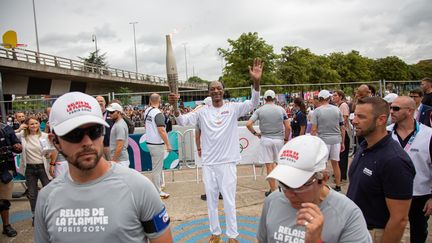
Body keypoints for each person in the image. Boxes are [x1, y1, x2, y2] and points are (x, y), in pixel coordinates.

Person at [34, 92, 173, 243]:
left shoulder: (139, 188)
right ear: (55, 142)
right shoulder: (46, 198)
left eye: (94, 131)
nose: (87, 142)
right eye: (74, 134)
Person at [168, 58, 263, 243]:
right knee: (211, 201)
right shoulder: (203, 111)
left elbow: (253, 103)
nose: (216, 91)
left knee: (229, 200)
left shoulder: (233, 108)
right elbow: (182, 121)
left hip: (227, 162)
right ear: (209, 93)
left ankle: (233, 236)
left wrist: (256, 82)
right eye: (213, 89)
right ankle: (215, 233)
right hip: (209, 163)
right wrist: (173, 106)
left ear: (223, 91)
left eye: (219, 88)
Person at [257, 135, 371, 243]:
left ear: (323, 178)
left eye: (298, 186)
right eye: (284, 184)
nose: (289, 194)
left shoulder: (348, 214)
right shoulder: (273, 201)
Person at [347, 97, 415, 243]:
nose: (354, 121)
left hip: (376, 234)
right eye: (355, 115)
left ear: (381, 120)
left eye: (361, 117)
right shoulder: (365, 146)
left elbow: (400, 219)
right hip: (357, 231)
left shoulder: (395, 161)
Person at [387, 96, 432, 243]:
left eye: (396, 108)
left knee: (418, 233)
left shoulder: (428, 134)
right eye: (390, 108)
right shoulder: (385, 134)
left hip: (420, 194)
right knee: (387, 230)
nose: (391, 111)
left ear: (410, 111)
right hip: (389, 194)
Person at [246, 89, 291, 196]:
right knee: (280, 164)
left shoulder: (260, 110)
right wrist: (285, 139)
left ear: (265, 99)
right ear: (275, 98)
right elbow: (288, 127)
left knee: (269, 165)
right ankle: (284, 188)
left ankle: (273, 190)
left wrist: (256, 133)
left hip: (266, 139)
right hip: (279, 139)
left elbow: (248, 124)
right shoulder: (281, 110)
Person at [16, 116, 54, 225]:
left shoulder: (45, 136)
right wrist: (19, 128)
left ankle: (49, 214)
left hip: (42, 167)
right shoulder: (23, 136)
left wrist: (49, 155)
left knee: (48, 192)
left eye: (36, 123)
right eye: (31, 124)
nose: (34, 126)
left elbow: (51, 151)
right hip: (30, 168)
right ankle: (35, 216)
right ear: (27, 125)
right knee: (32, 194)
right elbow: (10, 135)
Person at [310, 90, 345, 192]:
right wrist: (342, 142)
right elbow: (342, 127)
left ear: (320, 99)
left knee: (322, 165)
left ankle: (323, 186)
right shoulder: (336, 110)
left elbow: (313, 129)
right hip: (336, 140)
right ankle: (338, 186)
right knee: (335, 164)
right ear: (328, 98)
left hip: (323, 140)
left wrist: (313, 141)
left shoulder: (317, 111)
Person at [143, 93, 172, 199]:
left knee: (157, 167)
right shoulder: (158, 113)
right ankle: (157, 190)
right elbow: (161, 130)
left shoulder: (147, 111)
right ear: (159, 101)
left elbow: (146, 125)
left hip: (150, 142)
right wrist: (168, 144)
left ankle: (159, 186)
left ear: (150, 101)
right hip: (156, 143)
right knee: (157, 168)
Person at [0, 122, 22, 237]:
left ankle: (6, 226)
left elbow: (17, 145)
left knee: (4, 201)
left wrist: (17, 146)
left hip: (5, 169)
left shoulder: (6, 128)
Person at [332, 90, 350, 182]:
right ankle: (339, 173)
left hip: (343, 132)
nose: (333, 97)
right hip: (339, 133)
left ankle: (342, 176)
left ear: (340, 97)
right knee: (339, 155)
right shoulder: (338, 106)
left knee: (343, 155)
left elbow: (344, 119)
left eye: (335, 95)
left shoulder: (343, 105)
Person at [106, 103, 130, 167]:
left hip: (120, 160)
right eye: (109, 112)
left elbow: (120, 145)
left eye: (112, 112)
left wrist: (113, 161)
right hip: (120, 160)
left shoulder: (119, 125)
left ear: (118, 112)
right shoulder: (118, 123)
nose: (109, 114)